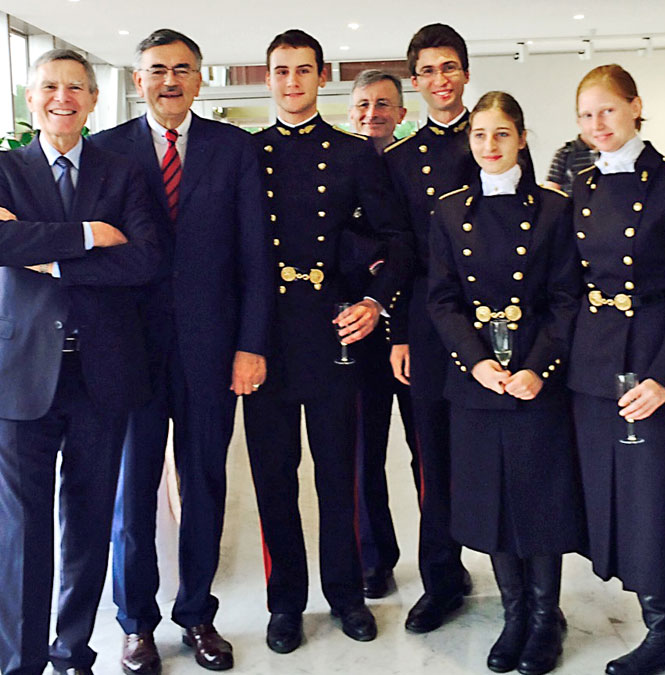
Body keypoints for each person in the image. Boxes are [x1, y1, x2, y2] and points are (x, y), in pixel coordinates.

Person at [92, 29, 270, 674]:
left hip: (211, 351)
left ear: (200, 80)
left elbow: (256, 256)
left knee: (205, 485)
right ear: (138, 80)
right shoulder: (104, 150)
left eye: (183, 70)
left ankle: (197, 613)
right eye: (157, 70)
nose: (170, 80)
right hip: (130, 354)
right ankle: (136, 624)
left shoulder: (234, 150)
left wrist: (251, 345)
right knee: (132, 491)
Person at [243, 29, 413, 652]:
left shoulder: (353, 154)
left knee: (339, 472)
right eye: (281, 71)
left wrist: (375, 303)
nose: (292, 82)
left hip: (335, 332)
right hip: (264, 337)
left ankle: (345, 594)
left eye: (304, 71)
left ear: (322, 78)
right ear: (269, 78)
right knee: (272, 476)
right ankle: (285, 602)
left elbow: (397, 240)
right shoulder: (248, 153)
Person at [0, 49, 160, 675]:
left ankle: (72, 650)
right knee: (21, 532)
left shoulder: (122, 173)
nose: (61, 97)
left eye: (75, 88)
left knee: (91, 521)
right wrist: (91, 233)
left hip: (104, 372)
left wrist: (46, 253)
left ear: (94, 100)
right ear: (30, 97)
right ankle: (19, 662)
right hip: (20, 375)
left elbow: (146, 258)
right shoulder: (5, 169)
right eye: (48, 87)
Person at [567, 64, 665, 675]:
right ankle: (657, 629)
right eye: (585, 114)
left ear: (635, 107)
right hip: (596, 366)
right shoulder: (578, 189)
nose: (597, 124)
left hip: (654, 364)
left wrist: (663, 378)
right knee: (619, 505)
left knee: (663, 505)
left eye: (607, 110)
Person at [428, 91, 583, 675]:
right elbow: (441, 301)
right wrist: (476, 362)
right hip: (478, 380)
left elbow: (568, 301)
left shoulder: (554, 208)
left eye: (500, 134)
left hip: (536, 377)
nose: (489, 146)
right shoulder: (448, 210)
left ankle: (545, 617)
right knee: (489, 500)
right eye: (479, 135)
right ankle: (514, 613)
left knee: (539, 500)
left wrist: (536, 369)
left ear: (521, 138)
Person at [383, 23, 478, 634]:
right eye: (428, 71)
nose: (440, 81)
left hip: (499, 323)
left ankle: (520, 581)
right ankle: (441, 577)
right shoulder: (397, 161)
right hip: (426, 323)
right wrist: (398, 333)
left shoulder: (498, 138)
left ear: (466, 73)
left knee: (498, 449)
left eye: (450, 68)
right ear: (415, 82)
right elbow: (397, 253)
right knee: (431, 456)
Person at [347, 68, 417, 600]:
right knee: (364, 453)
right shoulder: (341, 164)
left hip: (418, 329)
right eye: (364, 104)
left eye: (384, 104)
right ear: (352, 111)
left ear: (401, 112)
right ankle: (375, 557)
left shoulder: (416, 165)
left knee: (429, 454)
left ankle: (444, 560)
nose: (373, 113)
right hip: (362, 333)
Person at [349, 69, 408, 154]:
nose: (371, 114)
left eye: (382, 104)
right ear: (352, 114)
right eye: (364, 105)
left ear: (401, 115)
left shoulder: (414, 160)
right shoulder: (335, 161)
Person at [544, 129, 598, 195]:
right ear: (579, 121)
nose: (596, 126)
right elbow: (550, 194)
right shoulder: (565, 153)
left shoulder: (611, 152)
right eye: (589, 118)